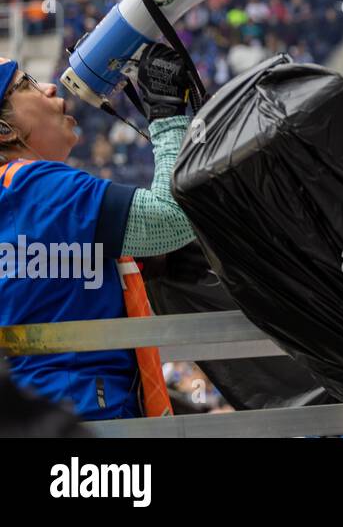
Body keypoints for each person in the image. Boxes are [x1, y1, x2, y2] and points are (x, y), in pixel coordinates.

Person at [0, 48, 197, 420]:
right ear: (3, 129)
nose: (49, 87)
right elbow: (172, 219)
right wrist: (169, 116)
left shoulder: (16, 199)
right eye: (25, 84)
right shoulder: (33, 185)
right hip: (84, 416)